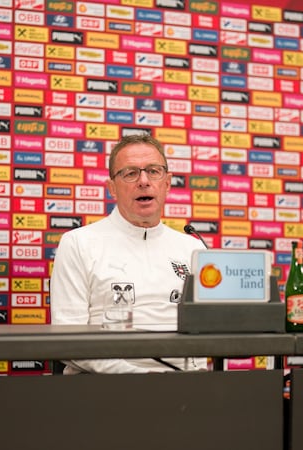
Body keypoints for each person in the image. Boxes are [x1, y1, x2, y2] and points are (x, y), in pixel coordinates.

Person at [50, 133, 207, 374]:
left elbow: (212, 332)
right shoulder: (79, 243)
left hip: (184, 387)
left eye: (154, 171)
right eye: (130, 173)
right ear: (112, 187)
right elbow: (70, 340)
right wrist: (141, 377)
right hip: (107, 388)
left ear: (167, 182)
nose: (144, 181)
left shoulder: (193, 248)